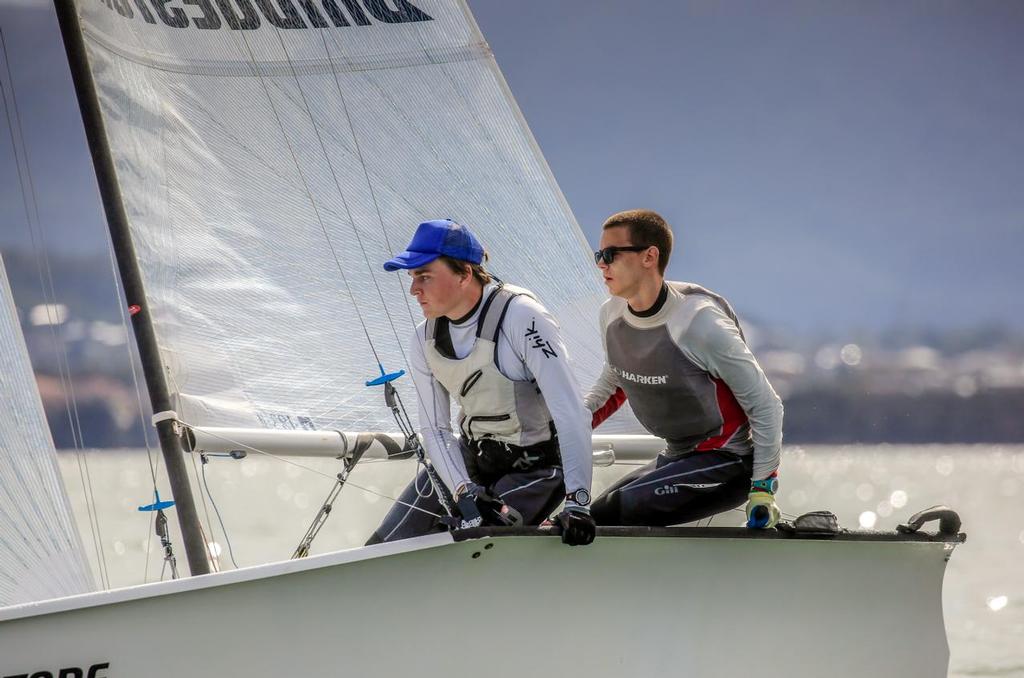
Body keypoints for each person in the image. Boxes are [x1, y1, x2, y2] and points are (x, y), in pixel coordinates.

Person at [366, 219, 596, 546]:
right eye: (412, 277)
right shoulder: (424, 338)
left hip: (537, 469)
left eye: (424, 276)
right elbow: (435, 429)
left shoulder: (522, 317)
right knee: (382, 547)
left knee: (461, 540)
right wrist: (463, 490)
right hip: (473, 459)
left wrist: (579, 503)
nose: (414, 289)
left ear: (464, 274)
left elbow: (571, 412)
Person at [585, 209, 783, 528]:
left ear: (650, 256)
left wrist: (763, 489)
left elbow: (766, 406)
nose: (601, 264)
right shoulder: (611, 315)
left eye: (611, 254)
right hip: (676, 456)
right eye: (599, 254)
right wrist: (568, 425)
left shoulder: (699, 323)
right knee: (592, 514)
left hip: (728, 461)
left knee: (608, 513)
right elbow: (614, 382)